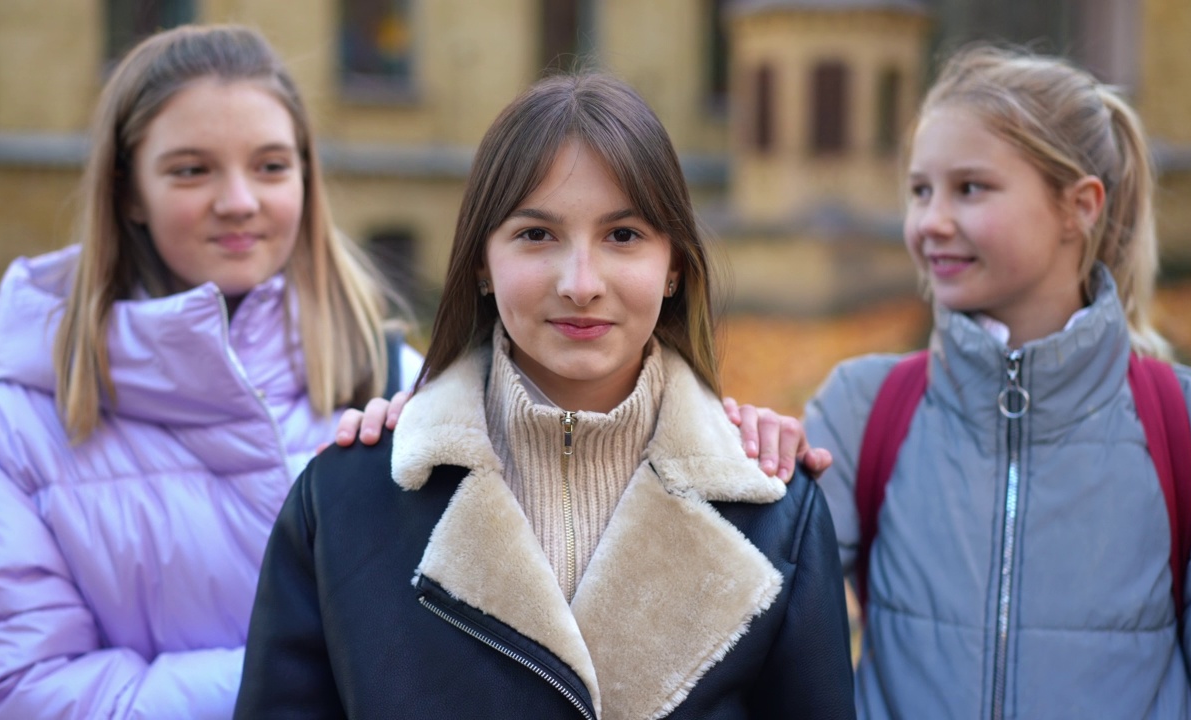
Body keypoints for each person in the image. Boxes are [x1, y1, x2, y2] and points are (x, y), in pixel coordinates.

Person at [235, 73, 856, 719]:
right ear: (481, 260)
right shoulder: (346, 499)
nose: (580, 283)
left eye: (623, 236)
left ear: (675, 265)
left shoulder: (777, 516)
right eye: (537, 234)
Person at [0, 25, 424, 720]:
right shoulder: (24, 426)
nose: (238, 201)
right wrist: (289, 682)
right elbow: (19, 691)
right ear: (130, 191)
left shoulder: (390, 381)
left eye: (270, 166)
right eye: (192, 170)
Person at [804, 45, 1191, 718]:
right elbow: (756, 618)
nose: (930, 221)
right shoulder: (862, 406)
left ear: (1078, 207)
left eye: (970, 188)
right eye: (919, 190)